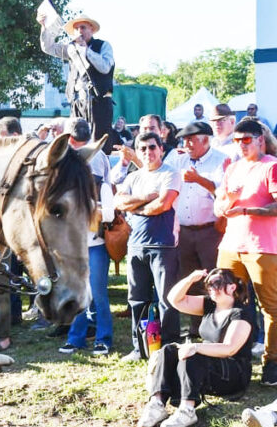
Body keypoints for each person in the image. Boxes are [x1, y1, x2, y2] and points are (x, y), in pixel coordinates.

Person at [137, 269, 254, 427]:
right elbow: (174, 300)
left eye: (217, 283)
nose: (212, 288)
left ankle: (187, 409)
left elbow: (229, 348)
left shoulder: (240, 314)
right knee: (168, 350)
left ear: (232, 287)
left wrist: (196, 347)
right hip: (209, 364)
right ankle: (157, 404)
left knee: (193, 354)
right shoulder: (209, 305)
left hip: (233, 373)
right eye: (209, 284)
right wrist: (191, 278)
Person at [213, 118, 277, 385]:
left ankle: (271, 362)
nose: (240, 145)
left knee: (271, 307)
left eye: (246, 140)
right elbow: (221, 204)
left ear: (260, 139)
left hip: (263, 246)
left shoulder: (271, 166)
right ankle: (232, 358)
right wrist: (225, 205)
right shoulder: (233, 167)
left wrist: (248, 210)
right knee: (226, 301)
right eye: (236, 141)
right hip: (231, 244)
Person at [114, 132, 182, 361]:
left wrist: (138, 207)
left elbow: (163, 204)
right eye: (142, 149)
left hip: (163, 245)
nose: (147, 152)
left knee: (167, 299)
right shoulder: (133, 177)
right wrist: (147, 196)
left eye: (152, 147)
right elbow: (119, 202)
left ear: (161, 149)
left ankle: (170, 347)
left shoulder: (170, 173)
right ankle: (140, 347)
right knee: (137, 298)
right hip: (135, 245)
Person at [58, 118, 114, 356]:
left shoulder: (97, 163)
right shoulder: (65, 159)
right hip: (73, 243)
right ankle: (76, 338)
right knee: (77, 293)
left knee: (98, 293)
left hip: (95, 242)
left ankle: (104, 338)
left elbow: (105, 205)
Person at [170, 121, 229, 337]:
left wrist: (198, 179)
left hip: (210, 231)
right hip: (184, 231)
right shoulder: (178, 158)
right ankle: (196, 327)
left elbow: (223, 192)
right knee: (191, 279)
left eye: (191, 139)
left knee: (215, 279)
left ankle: (219, 325)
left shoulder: (221, 160)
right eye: (184, 139)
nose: (187, 144)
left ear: (206, 140)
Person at [37, 12, 115, 142]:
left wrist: (86, 50)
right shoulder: (72, 48)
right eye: (76, 28)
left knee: (99, 142)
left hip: (99, 101)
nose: (79, 31)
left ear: (91, 29)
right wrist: (44, 27)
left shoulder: (103, 46)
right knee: (76, 139)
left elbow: (105, 67)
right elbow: (48, 48)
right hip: (78, 101)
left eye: (83, 27)